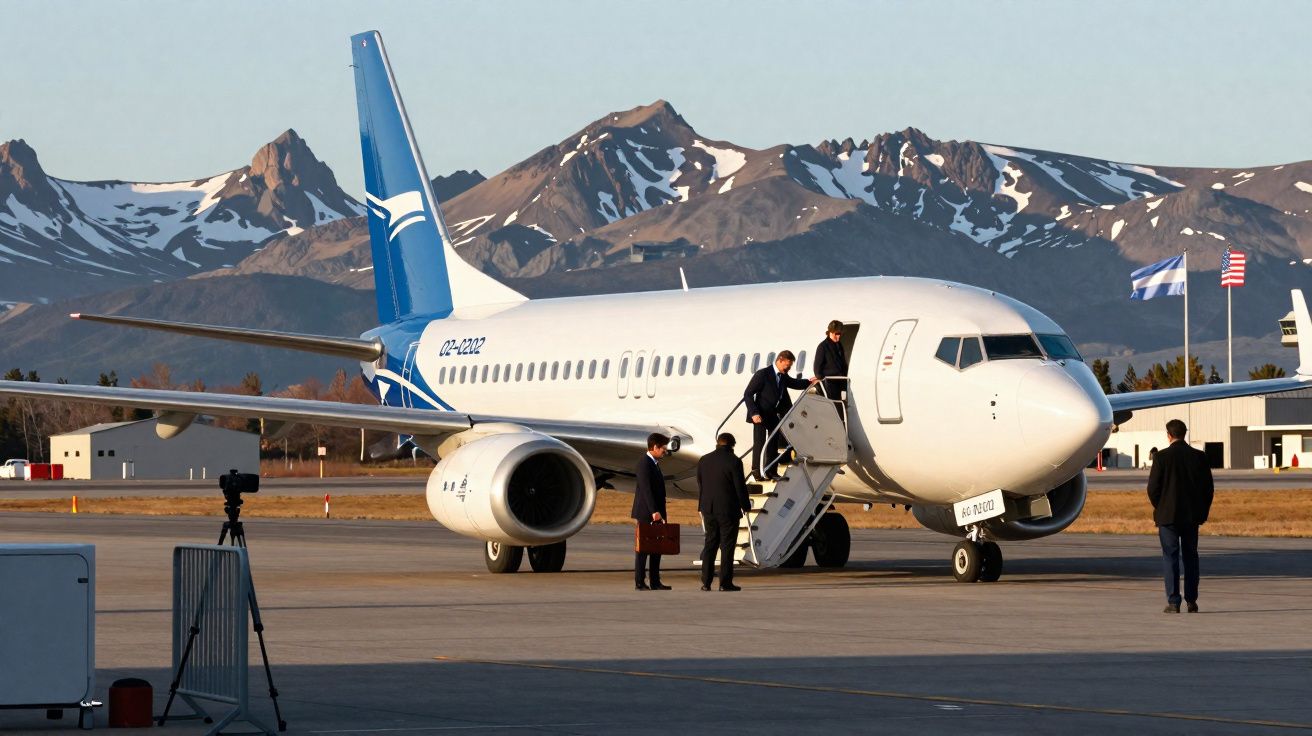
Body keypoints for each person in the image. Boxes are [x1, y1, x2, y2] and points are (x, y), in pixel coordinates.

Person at [1146, 419, 1215, 613]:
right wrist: (1202, 512)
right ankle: (1192, 600)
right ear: (1185, 434)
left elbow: (1153, 489)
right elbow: (1208, 489)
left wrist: (1161, 507)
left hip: (1168, 516)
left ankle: (1173, 602)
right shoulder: (1199, 457)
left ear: (1168, 435)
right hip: (1191, 516)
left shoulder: (1161, 457)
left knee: (1171, 557)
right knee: (1191, 557)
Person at [743, 351, 815, 481]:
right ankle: (756, 471)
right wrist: (754, 413)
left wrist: (809, 382)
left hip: (772, 414)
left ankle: (771, 471)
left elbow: (794, 383)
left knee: (773, 444)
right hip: (760, 414)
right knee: (759, 443)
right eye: (787, 365)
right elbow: (748, 394)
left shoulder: (782, 376)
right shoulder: (763, 374)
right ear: (780, 360)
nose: (788, 368)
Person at [697, 432, 751, 592]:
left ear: (717, 443)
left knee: (710, 544)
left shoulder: (704, 460)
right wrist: (746, 506)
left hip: (708, 508)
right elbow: (739, 487)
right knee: (727, 546)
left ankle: (706, 582)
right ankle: (725, 583)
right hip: (728, 510)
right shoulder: (734, 461)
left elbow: (700, 482)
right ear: (732, 445)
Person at [631, 432, 672, 590]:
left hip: (656, 512)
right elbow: (646, 489)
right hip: (647, 512)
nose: (665, 451)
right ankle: (640, 582)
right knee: (644, 549)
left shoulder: (653, 463)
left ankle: (655, 581)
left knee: (657, 547)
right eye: (663, 448)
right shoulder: (644, 463)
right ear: (655, 447)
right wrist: (654, 510)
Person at [813, 320, 849, 415]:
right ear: (830, 332)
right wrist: (824, 382)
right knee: (834, 411)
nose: (839, 336)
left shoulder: (839, 345)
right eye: (837, 334)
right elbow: (817, 370)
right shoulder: (823, 347)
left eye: (840, 334)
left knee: (840, 409)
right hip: (829, 384)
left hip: (839, 383)